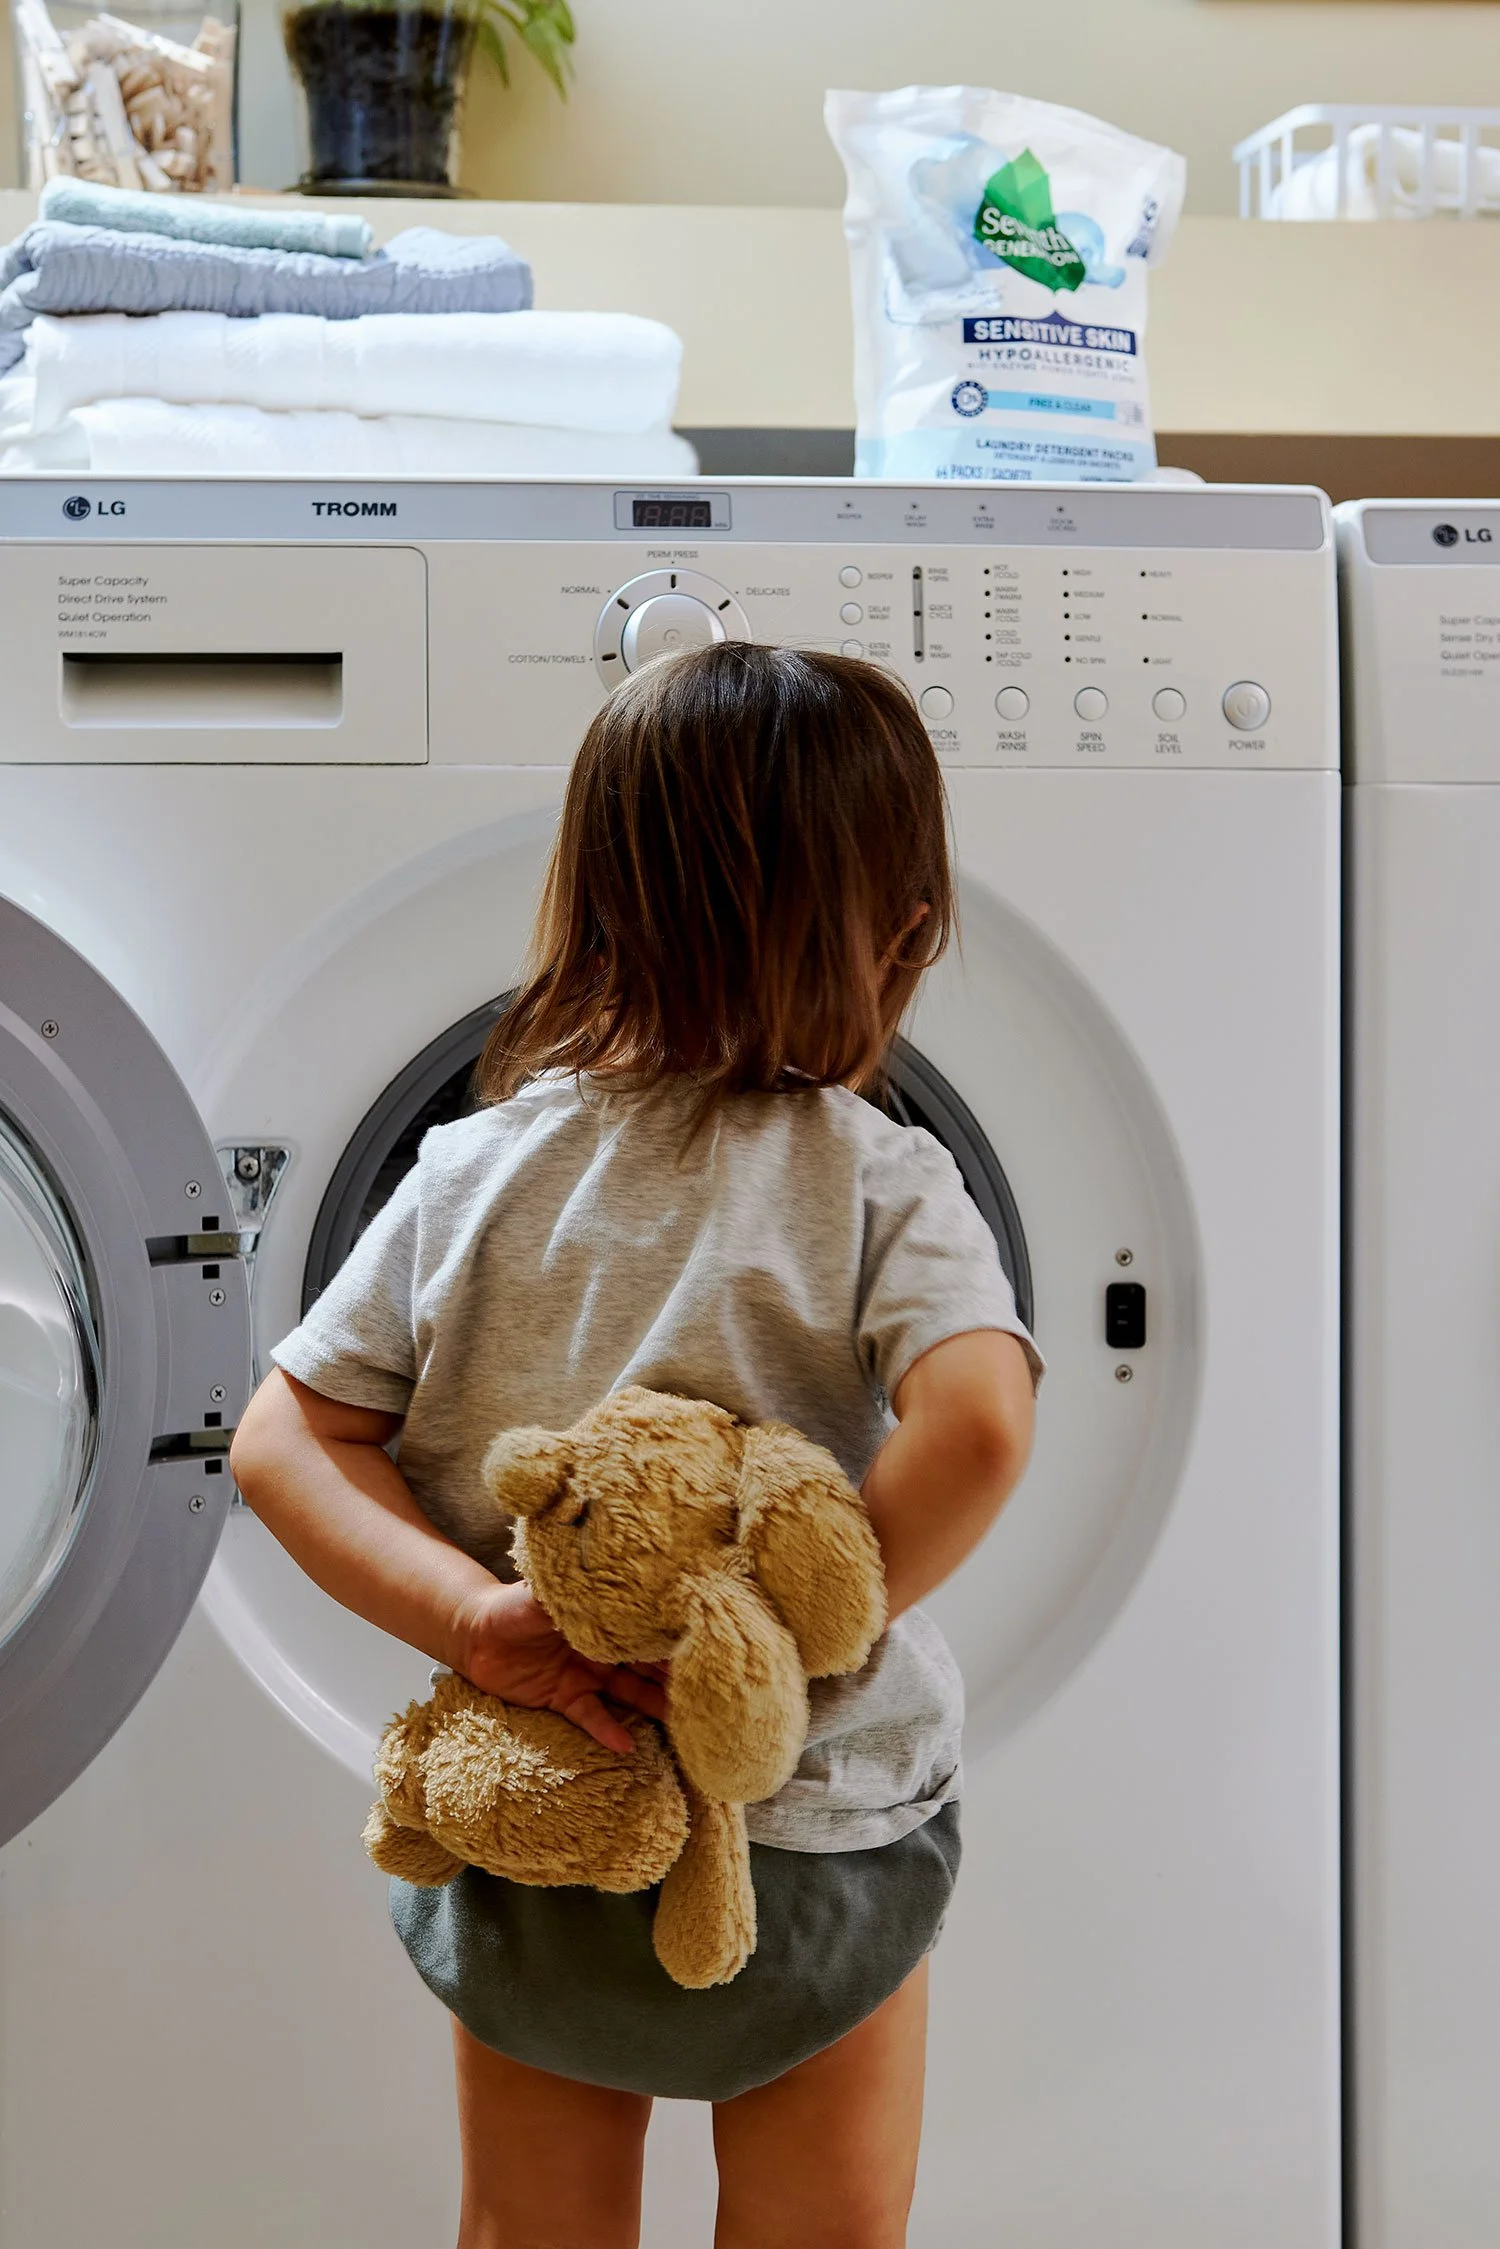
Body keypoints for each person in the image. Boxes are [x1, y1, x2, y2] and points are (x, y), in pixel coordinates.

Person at [231, 641, 1040, 2249]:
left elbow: (284, 1444)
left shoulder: (469, 1169)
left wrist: (478, 1624)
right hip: (812, 1809)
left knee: (535, 2225)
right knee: (824, 2228)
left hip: (552, 1787)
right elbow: (978, 1424)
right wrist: (804, 1629)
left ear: (586, 909)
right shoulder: (879, 1177)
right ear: (904, 935)